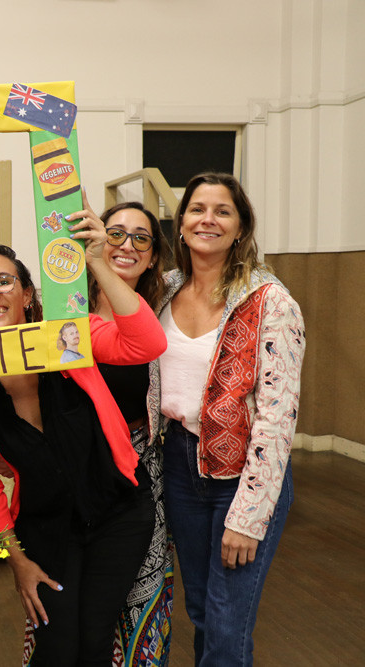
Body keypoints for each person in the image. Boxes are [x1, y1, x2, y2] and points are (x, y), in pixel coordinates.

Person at [0, 201, 166, 666]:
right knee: (55, 646)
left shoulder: (66, 336)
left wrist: (96, 261)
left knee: (94, 642)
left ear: (27, 293)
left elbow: (148, 343)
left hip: (118, 512)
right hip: (47, 530)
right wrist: (16, 560)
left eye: (4, 281)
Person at [152, 173, 305, 665]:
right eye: (198, 209)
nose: (208, 220)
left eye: (222, 211)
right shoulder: (163, 291)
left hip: (244, 477)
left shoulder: (271, 301)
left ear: (240, 227)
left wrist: (249, 516)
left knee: (226, 622)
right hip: (179, 467)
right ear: (180, 224)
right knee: (200, 611)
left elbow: (279, 418)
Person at [93, 202, 173, 664]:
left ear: (153, 255)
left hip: (139, 472)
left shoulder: (161, 311)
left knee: (138, 599)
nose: (125, 245)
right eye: (115, 233)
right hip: (76, 471)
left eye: (141, 238)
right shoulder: (66, 305)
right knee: (78, 613)